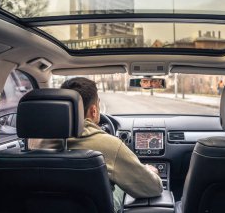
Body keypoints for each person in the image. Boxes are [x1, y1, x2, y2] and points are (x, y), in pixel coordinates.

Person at [29, 77, 163, 212]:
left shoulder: (34, 144)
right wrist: (151, 172)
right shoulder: (110, 146)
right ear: (94, 111)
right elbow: (152, 188)